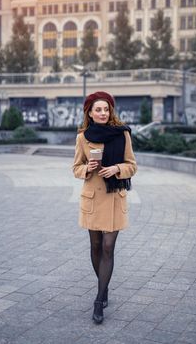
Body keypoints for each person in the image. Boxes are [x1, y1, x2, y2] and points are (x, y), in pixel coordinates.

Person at [72, 91, 137, 324]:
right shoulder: (83, 137)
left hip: (114, 197)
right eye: (98, 109)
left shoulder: (123, 134)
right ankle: (104, 284)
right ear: (89, 112)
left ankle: (99, 299)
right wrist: (87, 168)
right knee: (96, 246)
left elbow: (132, 165)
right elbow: (75, 168)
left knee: (108, 247)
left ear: (111, 111)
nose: (102, 113)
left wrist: (117, 169)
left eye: (106, 109)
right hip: (92, 198)